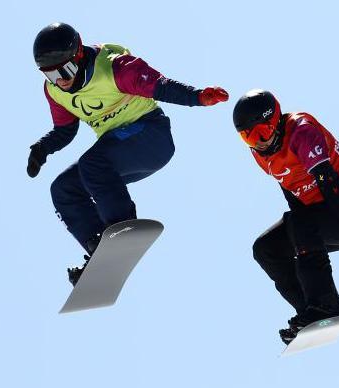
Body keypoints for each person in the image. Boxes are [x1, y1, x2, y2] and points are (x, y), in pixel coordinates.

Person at [27, 22, 229, 285]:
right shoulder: (55, 92)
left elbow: (161, 86)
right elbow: (65, 130)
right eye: (51, 76)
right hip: (116, 150)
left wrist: (198, 96)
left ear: (78, 55)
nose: (61, 81)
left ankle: (123, 230)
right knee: (64, 188)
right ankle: (99, 250)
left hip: (150, 135)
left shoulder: (113, 67)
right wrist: (42, 148)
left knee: (92, 163)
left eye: (65, 70)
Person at [233, 90, 339, 344]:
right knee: (266, 249)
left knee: (300, 223)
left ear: (276, 120)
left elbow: (327, 180)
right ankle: (309, 313)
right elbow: (290, 189)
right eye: (249, 137)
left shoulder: (302, 131)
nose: (259, 142)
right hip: (319, 217)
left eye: (262, 133)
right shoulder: (260, 154)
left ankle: (327, 305)